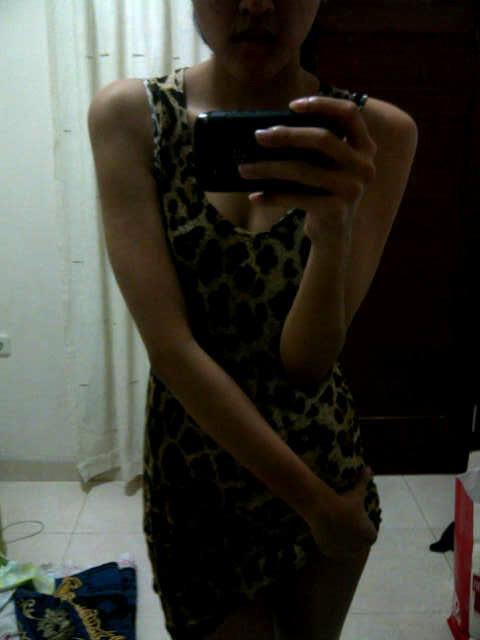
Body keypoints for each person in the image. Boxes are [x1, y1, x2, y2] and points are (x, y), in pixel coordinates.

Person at [87, 1, 418, 638]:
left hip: (319, 452)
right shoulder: (131, 118)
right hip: (199, 474)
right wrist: (316, 505)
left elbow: (307, 363)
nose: (258, 3)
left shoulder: (378, 134)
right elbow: (172, 349)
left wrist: (331, 235)